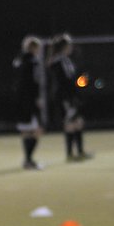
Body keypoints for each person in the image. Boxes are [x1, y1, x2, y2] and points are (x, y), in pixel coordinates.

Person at [47, 33, 90, 162]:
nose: (71, 47)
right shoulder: (58, 61)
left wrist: (79, 85)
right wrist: (70, 95)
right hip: (65, 97)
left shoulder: (65, 60)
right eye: (69, 45)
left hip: (69, 95)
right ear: (64, 46)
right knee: (70, 123)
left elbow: (70, 79)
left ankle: (79, 152)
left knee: (78, 122)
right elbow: (63, 81)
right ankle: (70, 154)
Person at [12, 35, 47, 169]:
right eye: (38, 48)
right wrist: (37, 98)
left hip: (19, 100)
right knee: (38, 129)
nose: (39, 51)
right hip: (29, 101)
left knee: (26, 131)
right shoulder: (33, 62)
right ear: (32, 48)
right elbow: (33, 82)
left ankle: (28, 161)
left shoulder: (18, 61)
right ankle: (29, 160)